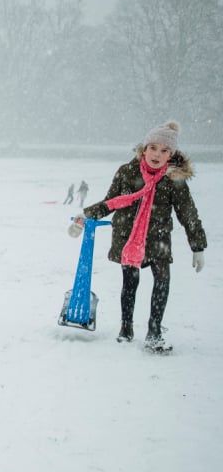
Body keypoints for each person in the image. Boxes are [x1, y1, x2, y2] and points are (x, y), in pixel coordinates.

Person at [69, 121, 206, 353]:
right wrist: (84, 217)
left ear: (171, 155)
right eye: (153, 148)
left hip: (158, 238)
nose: (157, 154)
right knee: (130, 283)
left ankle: (154, 332)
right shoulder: (127, 172)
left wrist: (198, 246)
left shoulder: (174, 179)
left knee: (163, 279)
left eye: (165, 151)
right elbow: (110, 201)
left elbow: (188, 213)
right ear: (145, 148)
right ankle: (126, 328)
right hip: (128, 237)